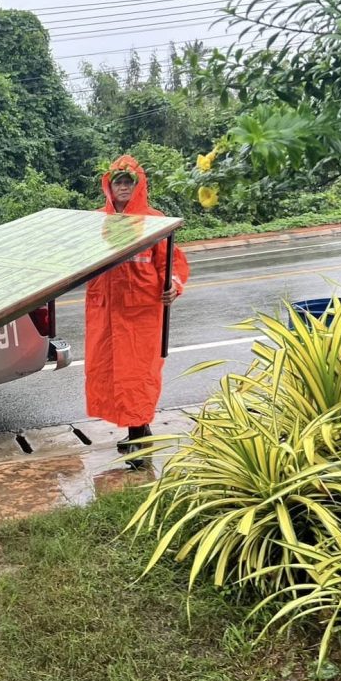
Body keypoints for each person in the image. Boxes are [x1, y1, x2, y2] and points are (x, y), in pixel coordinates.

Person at [84, 154, 190, 468]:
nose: (123, 187)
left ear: (138, 185)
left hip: (140, 314)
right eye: (118, 181)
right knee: (110, 375)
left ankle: (139, 441)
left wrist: (173, 285)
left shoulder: (153, 221)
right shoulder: (95, 222)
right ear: (109, 185)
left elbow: (173, 262)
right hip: (105, 312)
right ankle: (137, 432)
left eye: (129, 182)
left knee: (137, 376)